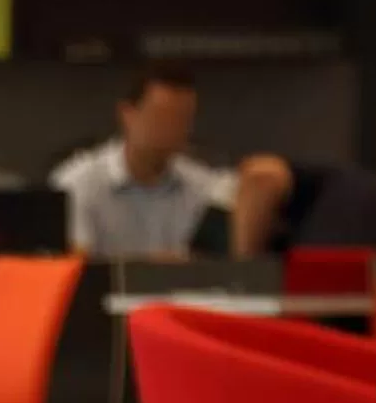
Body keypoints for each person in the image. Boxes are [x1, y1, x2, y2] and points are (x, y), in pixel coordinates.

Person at [51, 63, 238, 258]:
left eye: (182, 119)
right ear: (127, 114)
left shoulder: (203, 185)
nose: (172, 128)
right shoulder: (77, 183)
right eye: (162, 116)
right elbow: (76, 264)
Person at [230, 158, 376, 255]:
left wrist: (244, 274)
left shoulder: (345, 184)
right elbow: (261, 177)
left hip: (310, 300)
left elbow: (259, 177)